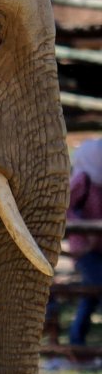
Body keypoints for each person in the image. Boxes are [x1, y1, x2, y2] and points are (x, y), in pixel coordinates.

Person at [62, 139, 102, 346]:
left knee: (90, 295)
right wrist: (86, 230)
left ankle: (76, 344)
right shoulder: (82, 180)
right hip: (85, 251)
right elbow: (63, 209)